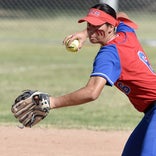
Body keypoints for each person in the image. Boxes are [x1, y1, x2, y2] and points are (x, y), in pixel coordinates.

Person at [49, 3, 156, 155]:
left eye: (97, 25)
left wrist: (52, 102)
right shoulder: (125, 32)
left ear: (111, 27)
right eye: (89, 24)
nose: (92, 29)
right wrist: (86, 33)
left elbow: (92, 92)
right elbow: (123, 15)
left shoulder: (108, 54)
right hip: (151, 111)